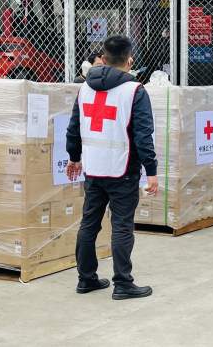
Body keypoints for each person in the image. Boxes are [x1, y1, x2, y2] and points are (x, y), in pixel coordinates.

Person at [66, 36, 158, 300]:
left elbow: (73, 128)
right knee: (121, 226)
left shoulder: (84, 88)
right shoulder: (135, 90)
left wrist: (74, 157)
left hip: (93, 169)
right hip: (122, 169)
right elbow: (143, 136)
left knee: (89, 223)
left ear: (104, 60)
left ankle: (86, 278)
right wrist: (151, 171)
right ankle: (123, 283)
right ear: (130, 60)